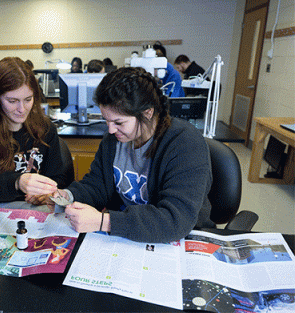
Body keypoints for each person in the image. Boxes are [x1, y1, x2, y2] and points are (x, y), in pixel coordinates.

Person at [52, 67, 214, 243]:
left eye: (118, 122)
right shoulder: (113, 141)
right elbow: (97, 186)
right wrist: (67, 196)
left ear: (147, 112)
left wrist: (104, 222)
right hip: (128, 236)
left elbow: (175, 220)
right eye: (107, 121)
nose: (111, 129)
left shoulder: (185, 143)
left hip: (180, 239)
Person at [0, 57, 70, 206]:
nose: (22, 109)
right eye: (12, 101)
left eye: (28, 99)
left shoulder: (45, 128)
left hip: (36, 210)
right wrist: (17, 182)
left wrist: (46, 193)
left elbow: (59, 177)